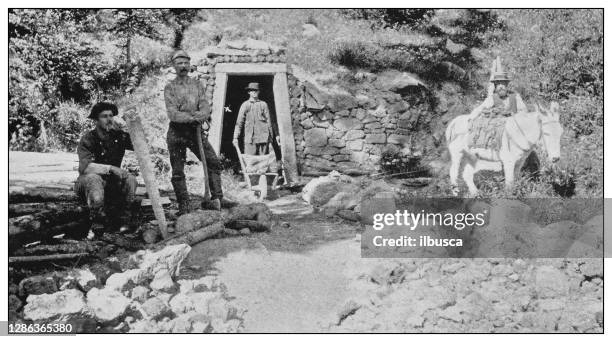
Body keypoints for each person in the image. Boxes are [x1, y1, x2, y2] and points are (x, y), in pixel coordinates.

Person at [164, 49, 227, 213]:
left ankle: (217, 198)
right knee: (178, 169)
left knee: (213, 161)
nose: (183, 66)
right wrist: (194, 116)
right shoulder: (170, 88)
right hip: (177, 132)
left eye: (185, 62)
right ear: (174, 66)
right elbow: (173, 114)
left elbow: (205, 107)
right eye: (179, 63)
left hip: (195, 132)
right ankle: (184, 203)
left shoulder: (197, 85)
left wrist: (200, 115)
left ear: (189, 64)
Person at [75, 102, 138, 235]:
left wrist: (130, 126)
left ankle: (124, 221)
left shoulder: (119, 136)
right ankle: (97, 223)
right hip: (88, 184)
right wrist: (110, 168)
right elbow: (85, 167)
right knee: (94, 178)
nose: (109, 119)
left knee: (131, 179)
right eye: (104, 116)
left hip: (111, 184)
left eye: (111, 116)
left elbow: (140, 144)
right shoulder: (89, 138)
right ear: (96, 120)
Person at [232, 82, 280, 155]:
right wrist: (235, 137)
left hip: (263, 139)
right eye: (252, 90)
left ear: (259, 91)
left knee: (263, 163)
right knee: (250, 162)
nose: (254, 92)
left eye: (256, 90)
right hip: (250, 140)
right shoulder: (245, 105)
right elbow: (239, 123)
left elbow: (269, 122)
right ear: (249, 92)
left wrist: (272, 137)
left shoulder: (263, 105)